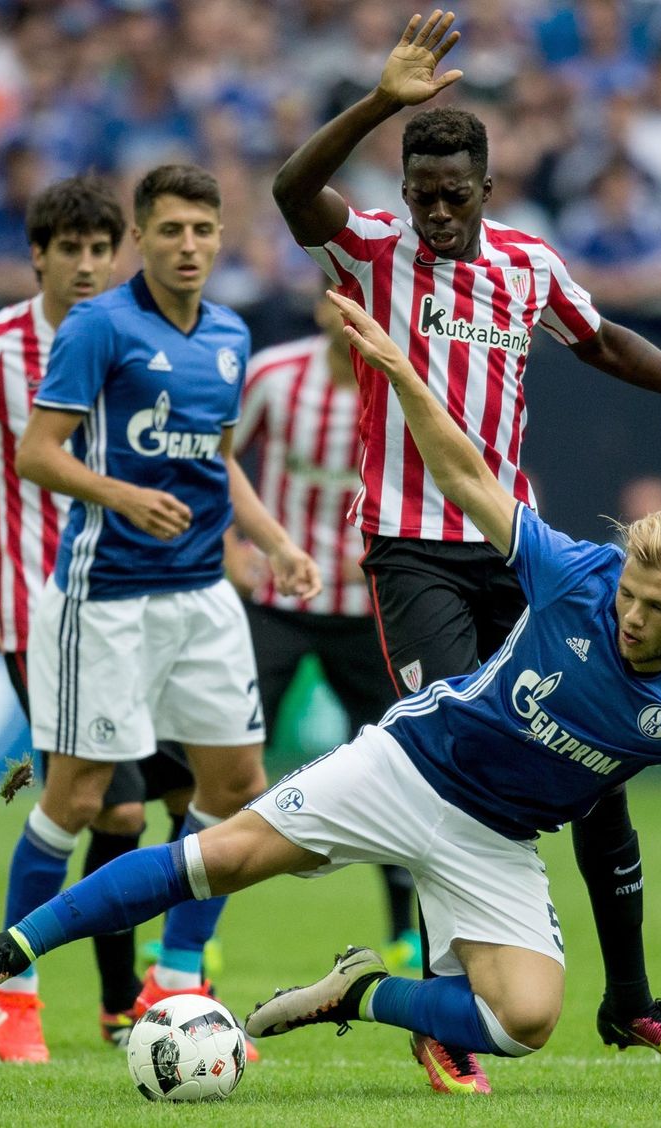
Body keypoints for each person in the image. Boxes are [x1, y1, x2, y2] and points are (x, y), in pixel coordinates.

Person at [0, 290, 661, 1099]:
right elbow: (468, 475)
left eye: (657, 607)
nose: (631, 617)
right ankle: (9, 949)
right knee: (221, 858)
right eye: (632, 594)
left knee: (524, 1022)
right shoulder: (576, 573)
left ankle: (360, 992)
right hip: (408, 768)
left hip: (494, 841)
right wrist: (394, 368)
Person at [268, 9, 661, 1093]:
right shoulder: (371, 248)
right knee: (447, 760)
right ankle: (442, 1003)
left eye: (451, 192)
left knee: (596, 759)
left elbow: (603, 341)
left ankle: (630, 1001)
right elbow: (291, 194)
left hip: (512, 550)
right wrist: (383, 101)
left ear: (484, 184)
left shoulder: (526, 267)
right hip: (411, 552)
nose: (432, 207)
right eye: (419, 187)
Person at [1, 163, 320, 1049]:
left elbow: (218, 459)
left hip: (201, 595)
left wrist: (275, 541)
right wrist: (121, 495)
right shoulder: (99, 326)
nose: (188, 246)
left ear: (221, 238)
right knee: (78, 800)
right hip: (104, 599)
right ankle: (13, 986)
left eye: (203, 231)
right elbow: (37, 453)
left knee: (239, 785)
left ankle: (174, 975)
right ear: (139, 237)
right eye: (171, 231)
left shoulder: (229, 333)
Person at [0, 174, 196, 1063]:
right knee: (109, 805)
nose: (89, 265)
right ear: (39, 255)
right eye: (71, 249)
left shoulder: (145, 341)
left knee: (190, 796)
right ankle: (16, 992)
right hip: (44, 613)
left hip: (149, 606)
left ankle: (128, 1001)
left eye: (104, 249)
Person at [229, 294, 419, 970]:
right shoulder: (275, 375)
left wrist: (387, 553)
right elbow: (208, 455)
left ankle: (407, 930)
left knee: (400, 769)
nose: (352, 316)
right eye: (339, 299)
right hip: (274, 601)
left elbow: (446, 479)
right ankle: (198, 935)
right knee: (226, 761)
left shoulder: (408, 382)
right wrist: (232, 547)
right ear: (315, 309)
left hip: (371, 610)